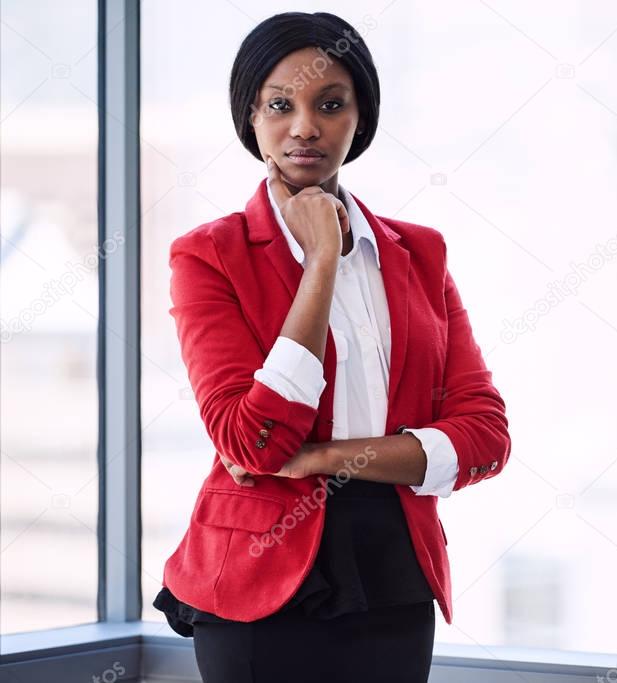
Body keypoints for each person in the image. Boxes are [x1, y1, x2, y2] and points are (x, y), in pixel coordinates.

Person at [151, 11, 511, 682]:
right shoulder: (209, 255)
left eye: (331, 104)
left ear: (359, 118)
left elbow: (484, 436)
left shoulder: (420, 253)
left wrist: (324, 456)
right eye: (280, 105)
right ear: (251, 117)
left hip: (391, 570)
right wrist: (321, 263)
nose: (305, 127)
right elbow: (251, 442)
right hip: (258, 574)